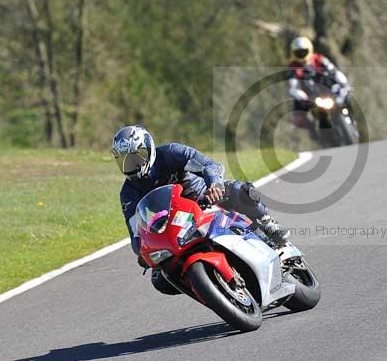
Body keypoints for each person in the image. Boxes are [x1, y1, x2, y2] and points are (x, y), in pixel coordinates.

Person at [112, 125, 290, 294]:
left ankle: (267, 224)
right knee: (160, 279)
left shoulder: (171, 153)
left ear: (149, 148)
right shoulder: (128, 193)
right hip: (175, 223)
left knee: (241, 191)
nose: (132, 165)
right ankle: (209, 289)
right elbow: (136, 234)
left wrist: (214, 185)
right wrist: (144, 252)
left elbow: (209, 165)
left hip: (204, 197)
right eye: (125, 161)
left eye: (137, 156)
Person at [286, 35, 352, 133]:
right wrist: (302, 96)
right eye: (298, 52)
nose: (301, 54)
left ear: (310, 49)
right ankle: (314, 132)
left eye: (304, 51)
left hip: (328, 91)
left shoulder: (319, 59)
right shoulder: (293, 68)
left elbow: (335, 71)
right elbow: (293, 87)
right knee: (298, 119)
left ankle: (352, 118)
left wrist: (344, 83)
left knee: (347, 95)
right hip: (310, 97)